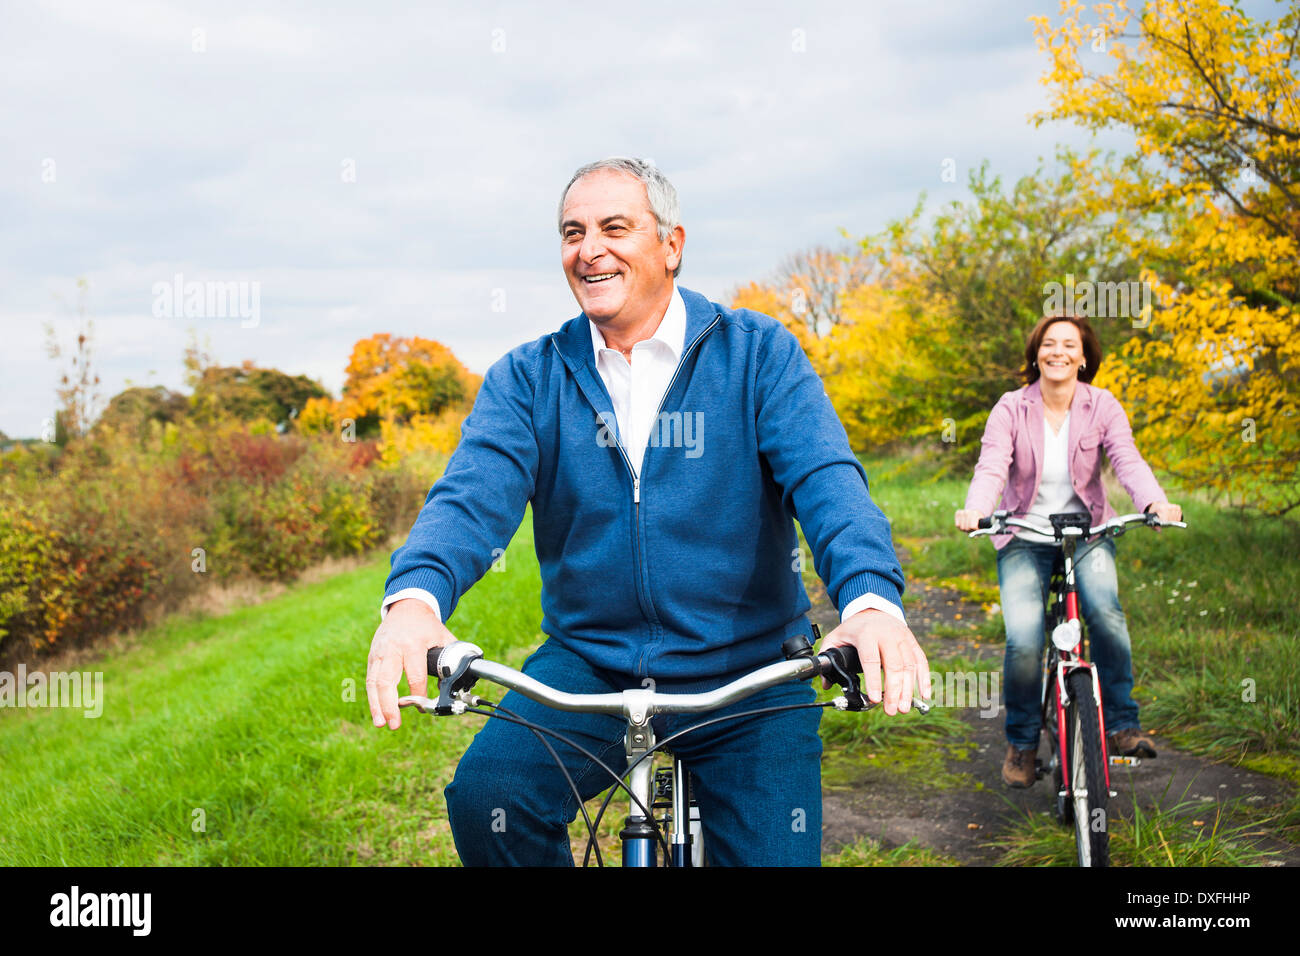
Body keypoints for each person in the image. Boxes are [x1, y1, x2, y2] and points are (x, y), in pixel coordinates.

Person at [365, 156, 930, 865]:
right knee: (491, 796)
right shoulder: (527, 377)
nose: (588, 249)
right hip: (592, 665)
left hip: (750, 673)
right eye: (572, 232)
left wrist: (871, 599)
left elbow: (828, 482)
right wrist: (413, 600)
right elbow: (469, 499)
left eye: (613, 227)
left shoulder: (758, 355)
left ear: (671, 245)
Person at [955, 313, 1182, 788]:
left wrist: (1154, 502)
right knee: (1024, 640)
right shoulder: (1012, 407)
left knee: (1107, 616)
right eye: (1048, 344)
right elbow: (992, 464)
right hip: (1023, 533)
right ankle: (1021, 742)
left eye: (1068, 345)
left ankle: (1121, 724)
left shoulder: (1102, 405)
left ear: (1084, 357)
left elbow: (1126, 459)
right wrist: (977, 510)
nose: (1058, 352)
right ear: (1036, 353)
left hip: (1087, 533)